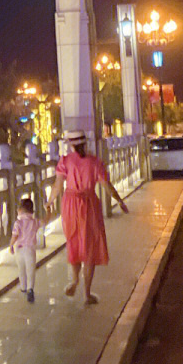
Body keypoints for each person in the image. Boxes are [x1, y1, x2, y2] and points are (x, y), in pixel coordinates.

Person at [50, 130, 128, 304]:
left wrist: (49, 203)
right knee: (90, 246)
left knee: (74, 242)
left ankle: (75, 280)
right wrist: (120, 201)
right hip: (89, 204)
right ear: (85, 143)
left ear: (70, 144)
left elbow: (57, 186)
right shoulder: (94, 162)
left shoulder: (66, 161)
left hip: (70, 204)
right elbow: (107, 185)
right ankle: (87, 294)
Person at [9, 196, 39, 303]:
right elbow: (45, 221)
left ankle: (23, 287)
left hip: (19, 250)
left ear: (21, 210)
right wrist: (49, 212)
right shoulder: (34, 222)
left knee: (21, 270)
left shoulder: (18, 223)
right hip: (30, 250)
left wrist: (11, 245)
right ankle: (30, 289)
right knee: (30, 271)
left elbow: (15, 236)